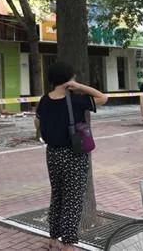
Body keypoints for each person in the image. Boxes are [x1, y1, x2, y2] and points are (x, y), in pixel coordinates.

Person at [34, 62, 108, 251]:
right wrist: (80, 87)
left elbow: (37, 122)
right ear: (68, 79)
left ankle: (53, 238)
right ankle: (68, 244)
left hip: (52, 154)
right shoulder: (75, 100)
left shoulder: (44, 100)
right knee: (72, 200)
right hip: (74, 155)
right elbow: (103, 97)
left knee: (57, 196)